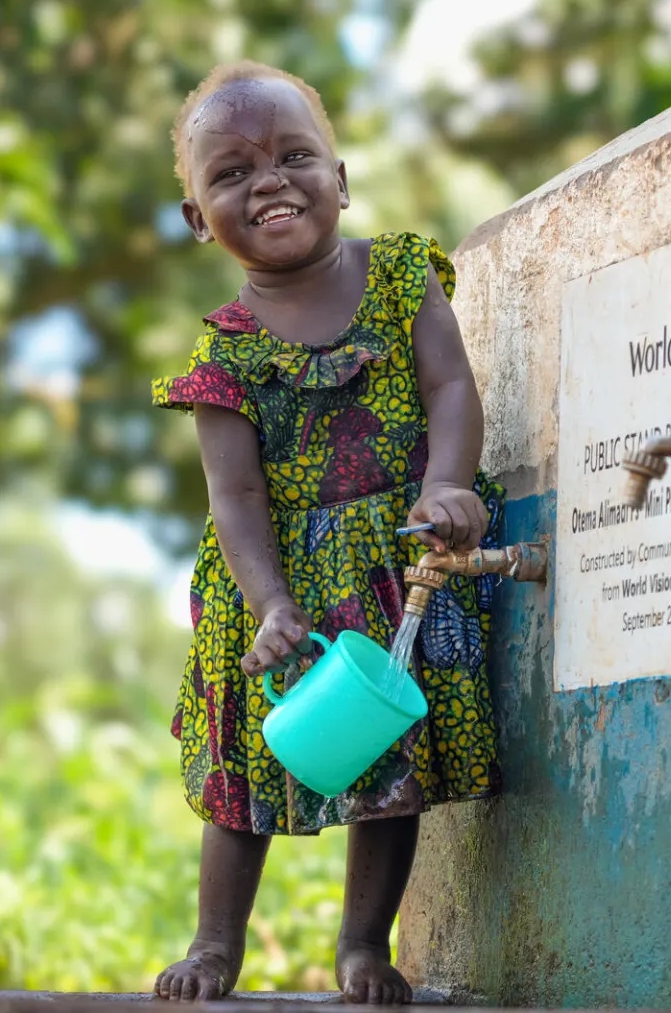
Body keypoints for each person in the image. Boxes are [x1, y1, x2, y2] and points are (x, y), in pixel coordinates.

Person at [150, 63, 504, 1005]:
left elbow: (451, 389)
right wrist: (269, 603)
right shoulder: (221, 356)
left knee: (389, 765)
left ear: (340, 180)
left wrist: (448, 485)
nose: (268, 182)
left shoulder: (398, 277)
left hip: (394, 558)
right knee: (249, 760)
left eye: (294, 156)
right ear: (196, 219)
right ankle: (216, 945)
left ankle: (363, 946)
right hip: (274, 583)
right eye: (231, 173)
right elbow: (235, 499)